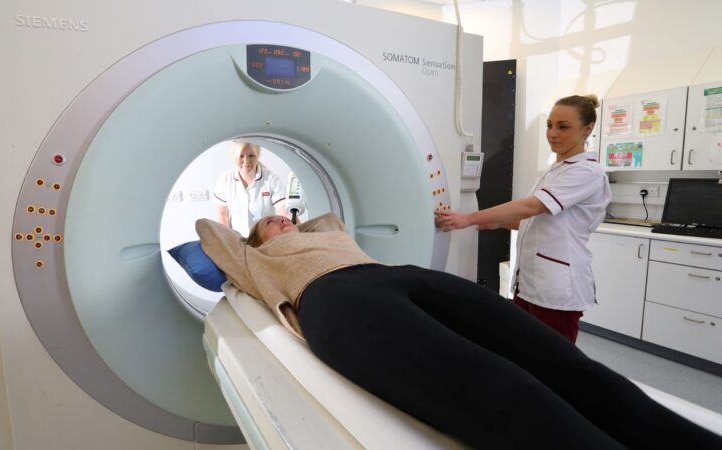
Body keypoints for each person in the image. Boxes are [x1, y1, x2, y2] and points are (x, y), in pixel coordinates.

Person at [196, 213, 722, 450]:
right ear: (254, 239)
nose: (283, 223)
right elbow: (209, 234)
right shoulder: (254, 262)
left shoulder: (330, 232)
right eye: (270, 223)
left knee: (572, 369)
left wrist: (294, 220)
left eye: (288, 217)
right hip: (334, 301)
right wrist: (255, 230)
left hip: (395, 277)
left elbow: (328, 218)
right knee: (509, 392)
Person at [435, 94, 611, 343]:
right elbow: (545, 222)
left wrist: (469, 218)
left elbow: (532, 207)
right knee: (524, 349)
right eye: (550, 125)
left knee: (553, 359)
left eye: (563, 127)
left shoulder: (587, 172)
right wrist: (499, 222)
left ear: (588, 129)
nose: (552, 133)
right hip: (531, 282)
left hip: (556, 286)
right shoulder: (557, 170)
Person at [213, 141, 288, 236]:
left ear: (257, 156)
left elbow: (283, 212)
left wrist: (291, 229)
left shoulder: (271, 179)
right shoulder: (225, 179)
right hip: (237, 240)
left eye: (251, 155)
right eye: (241, 156)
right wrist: (226, 240)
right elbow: (223, 214)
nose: (246, 161)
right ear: (234, 157)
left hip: (266, 239)